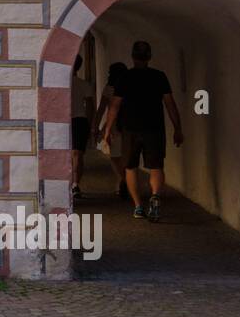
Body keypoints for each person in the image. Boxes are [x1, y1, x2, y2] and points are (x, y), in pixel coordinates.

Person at [102, 41, 183, 222]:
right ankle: (155, 196)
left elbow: (115, 105)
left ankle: (138, 206)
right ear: (149, 57)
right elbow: (170, 104)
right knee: (156, 166)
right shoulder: (159, 77)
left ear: (132, 56)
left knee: (130, 167)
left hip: (130, 129)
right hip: (154, 128)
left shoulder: (124, 78)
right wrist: (178, 128)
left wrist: (108, 128)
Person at [93, 62, 129, 199]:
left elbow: (102, 109)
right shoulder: (129, 86)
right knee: (126, 154)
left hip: (113, 125)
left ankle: (123, 179)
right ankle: (125, 180)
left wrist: (95, 126)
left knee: (114, 156)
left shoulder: (109, 88)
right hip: (129, 124)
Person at [69, 55, 95, 199]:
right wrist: (92, 124)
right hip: (80, 120)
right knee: (77, 154)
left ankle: (73, 184)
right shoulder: (84, 84)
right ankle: (75, 184)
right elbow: (90, 106)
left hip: (70, 120)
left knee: (72, 154)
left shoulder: (61, 84)